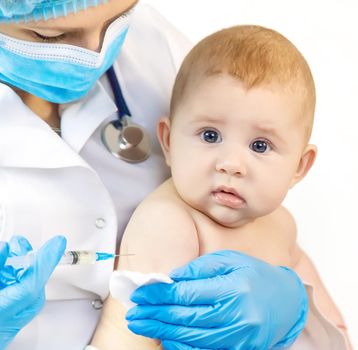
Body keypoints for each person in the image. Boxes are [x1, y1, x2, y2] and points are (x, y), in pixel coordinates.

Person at [0, 1, 322, 349]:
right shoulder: (167, 226)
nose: (97, 51)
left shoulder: (160, 47)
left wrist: (296, 309)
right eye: (52, 34)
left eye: (114, 20)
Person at [89, 25, 351, 349]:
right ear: (169, 142)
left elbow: (318, 303)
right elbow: (137, 335)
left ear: (299, 166)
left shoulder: (281, 224)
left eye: (259, 145)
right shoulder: (170, 224)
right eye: (210, 136)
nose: (231, 164)